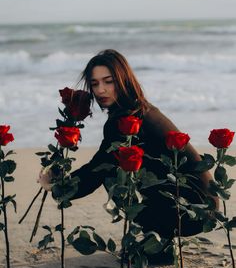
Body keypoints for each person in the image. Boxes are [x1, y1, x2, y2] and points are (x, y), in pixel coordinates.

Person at [39, 49, 218, 249]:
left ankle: (160, 241)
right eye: (95, 83)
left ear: (123, 80)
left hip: (192, 212)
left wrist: (57, 187)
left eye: (108, 81)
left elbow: (97, 170)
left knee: (113, 176)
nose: (100, 90)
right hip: (203, 207)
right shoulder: (141, 108)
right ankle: (160, 238)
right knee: (121, 168)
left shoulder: (126, 119)